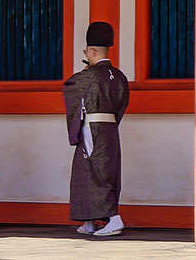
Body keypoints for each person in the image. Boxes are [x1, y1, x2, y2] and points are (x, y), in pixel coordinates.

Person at [63, 22, 129, 237]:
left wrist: (85, 71)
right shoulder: (119, 76)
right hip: (109, 128)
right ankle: (89, 221)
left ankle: (113, 218)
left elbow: (70, 87)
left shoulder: (88, 76)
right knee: (101, 169)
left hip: (91, 127)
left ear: (92, 51)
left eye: (86, 53)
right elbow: (121, 105)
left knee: (94, 170)